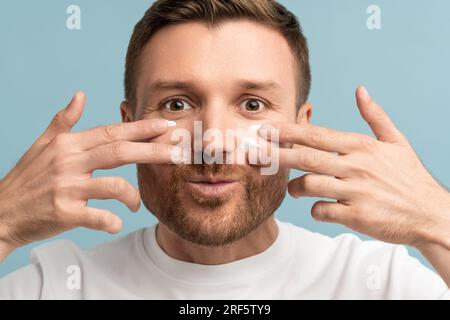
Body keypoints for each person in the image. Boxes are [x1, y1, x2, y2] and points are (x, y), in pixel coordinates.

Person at [0, 0, 449, 299]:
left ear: (301, 126)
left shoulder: (384, 284)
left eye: (252, 104)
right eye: (177, 103)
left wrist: (437, 220)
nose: (212, 143)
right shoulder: (50, 288)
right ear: (130, 125)